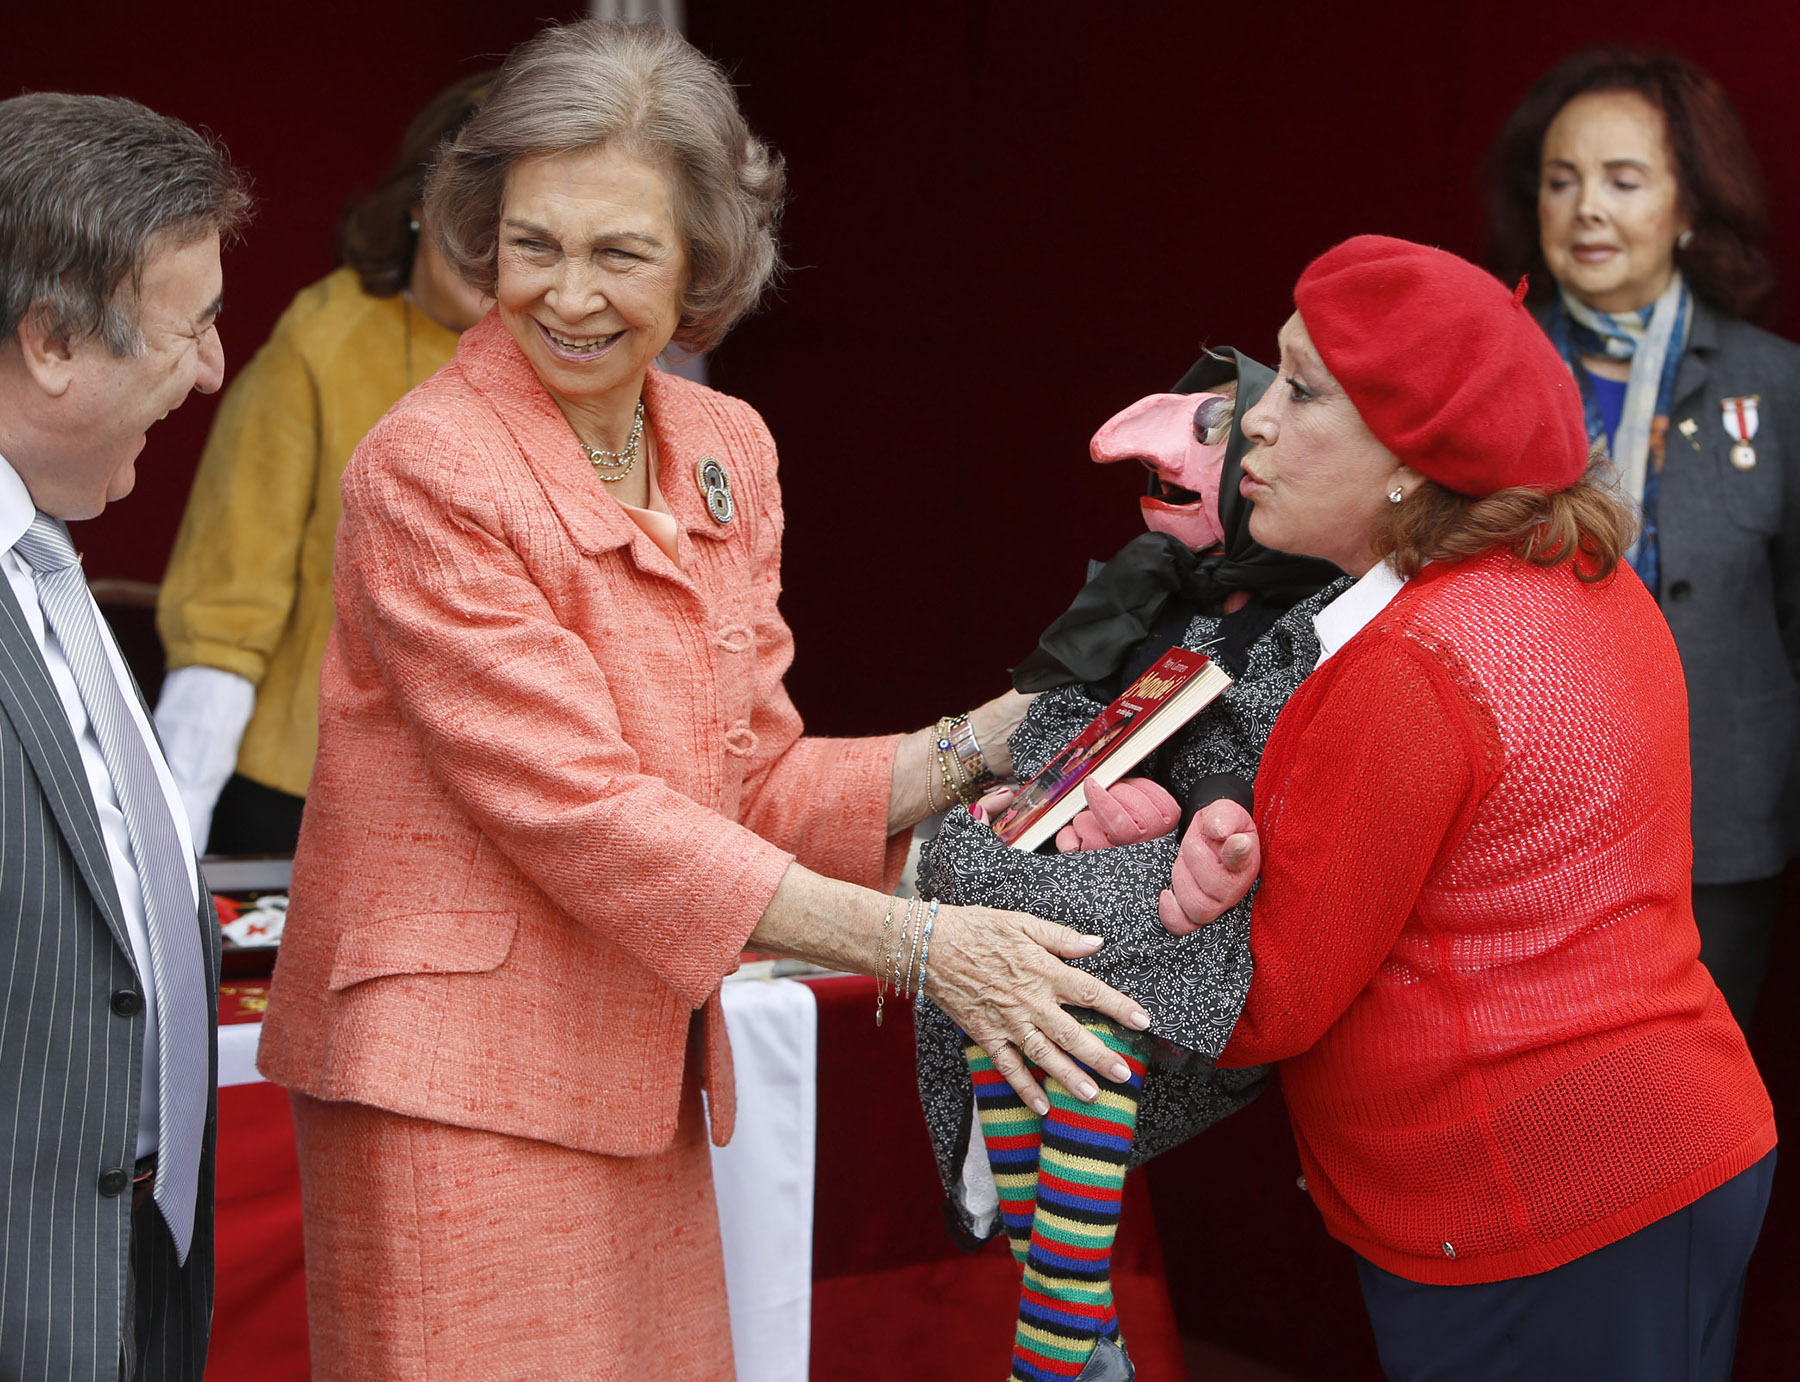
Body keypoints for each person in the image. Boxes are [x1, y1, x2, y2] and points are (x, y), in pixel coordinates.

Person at [252, 20, 1151, 1380]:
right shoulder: (427, 464)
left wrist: (1011, 732)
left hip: (633, 1059)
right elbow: (582, 809)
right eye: (532, 243)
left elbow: (757, 780)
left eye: (620, 252)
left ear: (701, 264)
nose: (566, 293)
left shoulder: (728, 447)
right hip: (451, 1085)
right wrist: (920, 944)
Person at [1161, 235, 1775, 1382]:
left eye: (1303, 390)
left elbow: (1272, 996)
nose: (1252, 416)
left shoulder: (1416, 663)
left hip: (1543, 1204)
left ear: (1413, 454)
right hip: (1675, 1157)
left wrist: (1078, 904)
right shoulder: (1585, 576)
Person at [916, 350, 1345, 1382]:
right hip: (1080, 847)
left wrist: (1187, 806)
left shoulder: (1310, 614)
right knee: (980, 907)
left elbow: (1260, 749)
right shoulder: (1152, 584)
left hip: (1209, 895)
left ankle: (1060, 1346)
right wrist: (1056, 793)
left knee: (1073, 979)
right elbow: (1067, 704)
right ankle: (1080, 1330)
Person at [0, 92, 250, 1380]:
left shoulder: (43, 556)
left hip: (125, 1268)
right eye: (192, 325)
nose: (212, 368)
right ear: (51, 340)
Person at [1486, 47, 1800, 1027]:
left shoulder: (1776, 383)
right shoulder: (1489, 367)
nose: (1588, 208)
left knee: (1690, 1121)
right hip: (1518, 814)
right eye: (1562, 179)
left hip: (1719, 826)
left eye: (1625, 180)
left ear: (1690, 204)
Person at [155, 71, 494, 855]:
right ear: (418, 204)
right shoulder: (323, 337)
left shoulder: (564, 365)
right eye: (474, 223)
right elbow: (226, 603)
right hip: (304, 787)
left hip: (490, 793)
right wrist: (172, 840)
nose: (498, 262)